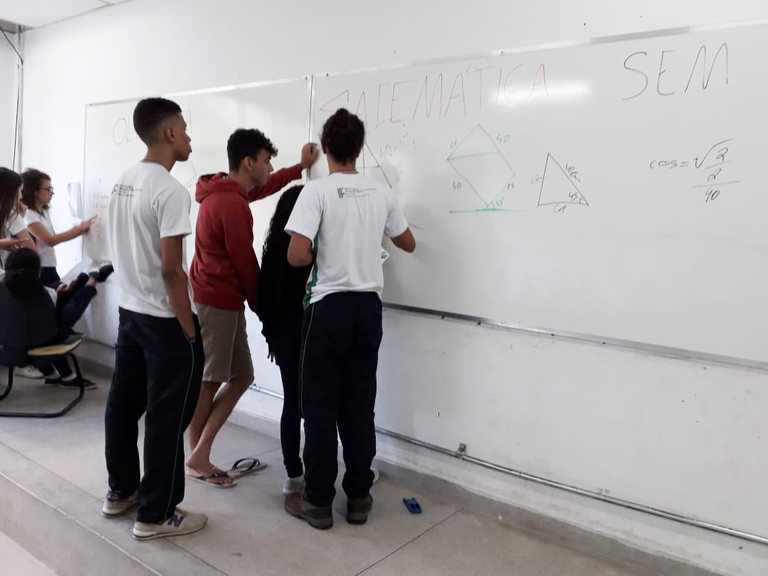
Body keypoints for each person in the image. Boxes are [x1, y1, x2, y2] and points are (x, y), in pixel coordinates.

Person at [283, 108, 416, 529]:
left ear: (325, 147)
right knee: (359, 405)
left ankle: (318, 501)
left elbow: (296, 255)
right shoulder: (382, 193)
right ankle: (358, 496)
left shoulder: (316, 192)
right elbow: (408, 243)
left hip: (328, 308)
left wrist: (326, 252)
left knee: (320, 407)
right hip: (367, 311)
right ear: (360, 147)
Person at [186, 129, 319, 487]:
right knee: (210, 379)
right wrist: (268, 315)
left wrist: (298, 168)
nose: (270, 167)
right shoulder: (231, 205)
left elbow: (265, 187)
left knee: (240, 375)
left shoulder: (226, 192)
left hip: (220, 298)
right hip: (218, 301)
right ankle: (196, 458)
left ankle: (197, 454)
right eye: (266, 160)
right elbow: (246, 267)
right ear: (248, 163)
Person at [103, 97, 207, 541]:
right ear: (169, 133)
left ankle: (121, 491)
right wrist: (188, 328)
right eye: (184, 129)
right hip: (164, 320)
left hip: (129, 312)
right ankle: (157, 514)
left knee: (123, 407)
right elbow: (171, 270)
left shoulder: (123, 181)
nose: (189, 138)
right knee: (167, 417)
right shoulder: (170, 191)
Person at [3, 247, 112, 389]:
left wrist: (57, 293)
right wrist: (89, 286)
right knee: (64, 317)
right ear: (37, 271)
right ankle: (92, 280)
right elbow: (67, 317)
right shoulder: (44, 294)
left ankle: (54, 375)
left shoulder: (4, 288)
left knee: (62, 291)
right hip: (37, 343)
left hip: (8, 344)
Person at [21, 168, 97, 286]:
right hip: (40, 268)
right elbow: (50, 240)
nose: (52, 193)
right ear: (34, 191)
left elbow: (55, 237)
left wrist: (81, 230)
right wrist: (79, 229)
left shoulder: (44, 211)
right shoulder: (29, 214)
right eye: (48, 189)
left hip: (50, 265)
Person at [0, 167, 37, 276]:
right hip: (6, 277)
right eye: (20, 191)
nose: (21, 196)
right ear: (10, 192)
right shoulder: (10, 214)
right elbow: (32, 252)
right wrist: (19, 219)